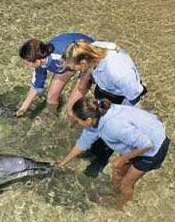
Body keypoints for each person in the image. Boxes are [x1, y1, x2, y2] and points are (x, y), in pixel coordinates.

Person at [55, 97, 170, 209]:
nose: (77, 123)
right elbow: (82, 144)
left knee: (126, 184)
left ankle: (118, 208)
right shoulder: (97, 111)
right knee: (118, 171)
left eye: (78, 120)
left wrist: (122, 159)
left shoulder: (114, 126)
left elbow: (146, 144)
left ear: (88, 120)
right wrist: (62, 164)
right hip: (141, 138)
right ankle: (115, 193)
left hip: (155, 147)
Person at [61, 40, 148, 177]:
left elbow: (134, 98)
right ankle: (93, 150)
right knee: (94, 126)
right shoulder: (94, 49)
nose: (75, 71)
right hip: (104, 88)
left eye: (75, 68)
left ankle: (100, 160)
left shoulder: (117, 72)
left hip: (121, 97)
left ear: (83, 63)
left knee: (109, 130)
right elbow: (113, 46)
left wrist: (120, 122)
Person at [15, 33, 94, 118]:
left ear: (39, 60)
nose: (26, 66)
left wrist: (85, 79)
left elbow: (91, 59)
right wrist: (22, 109)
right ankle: (52, 118)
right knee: (51, 98)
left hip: (88, 60)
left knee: (71, 109)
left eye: (27, 63)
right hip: (68, 64)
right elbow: (36, 86)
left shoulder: (59, 56)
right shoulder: (41, 60)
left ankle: (70, 125)